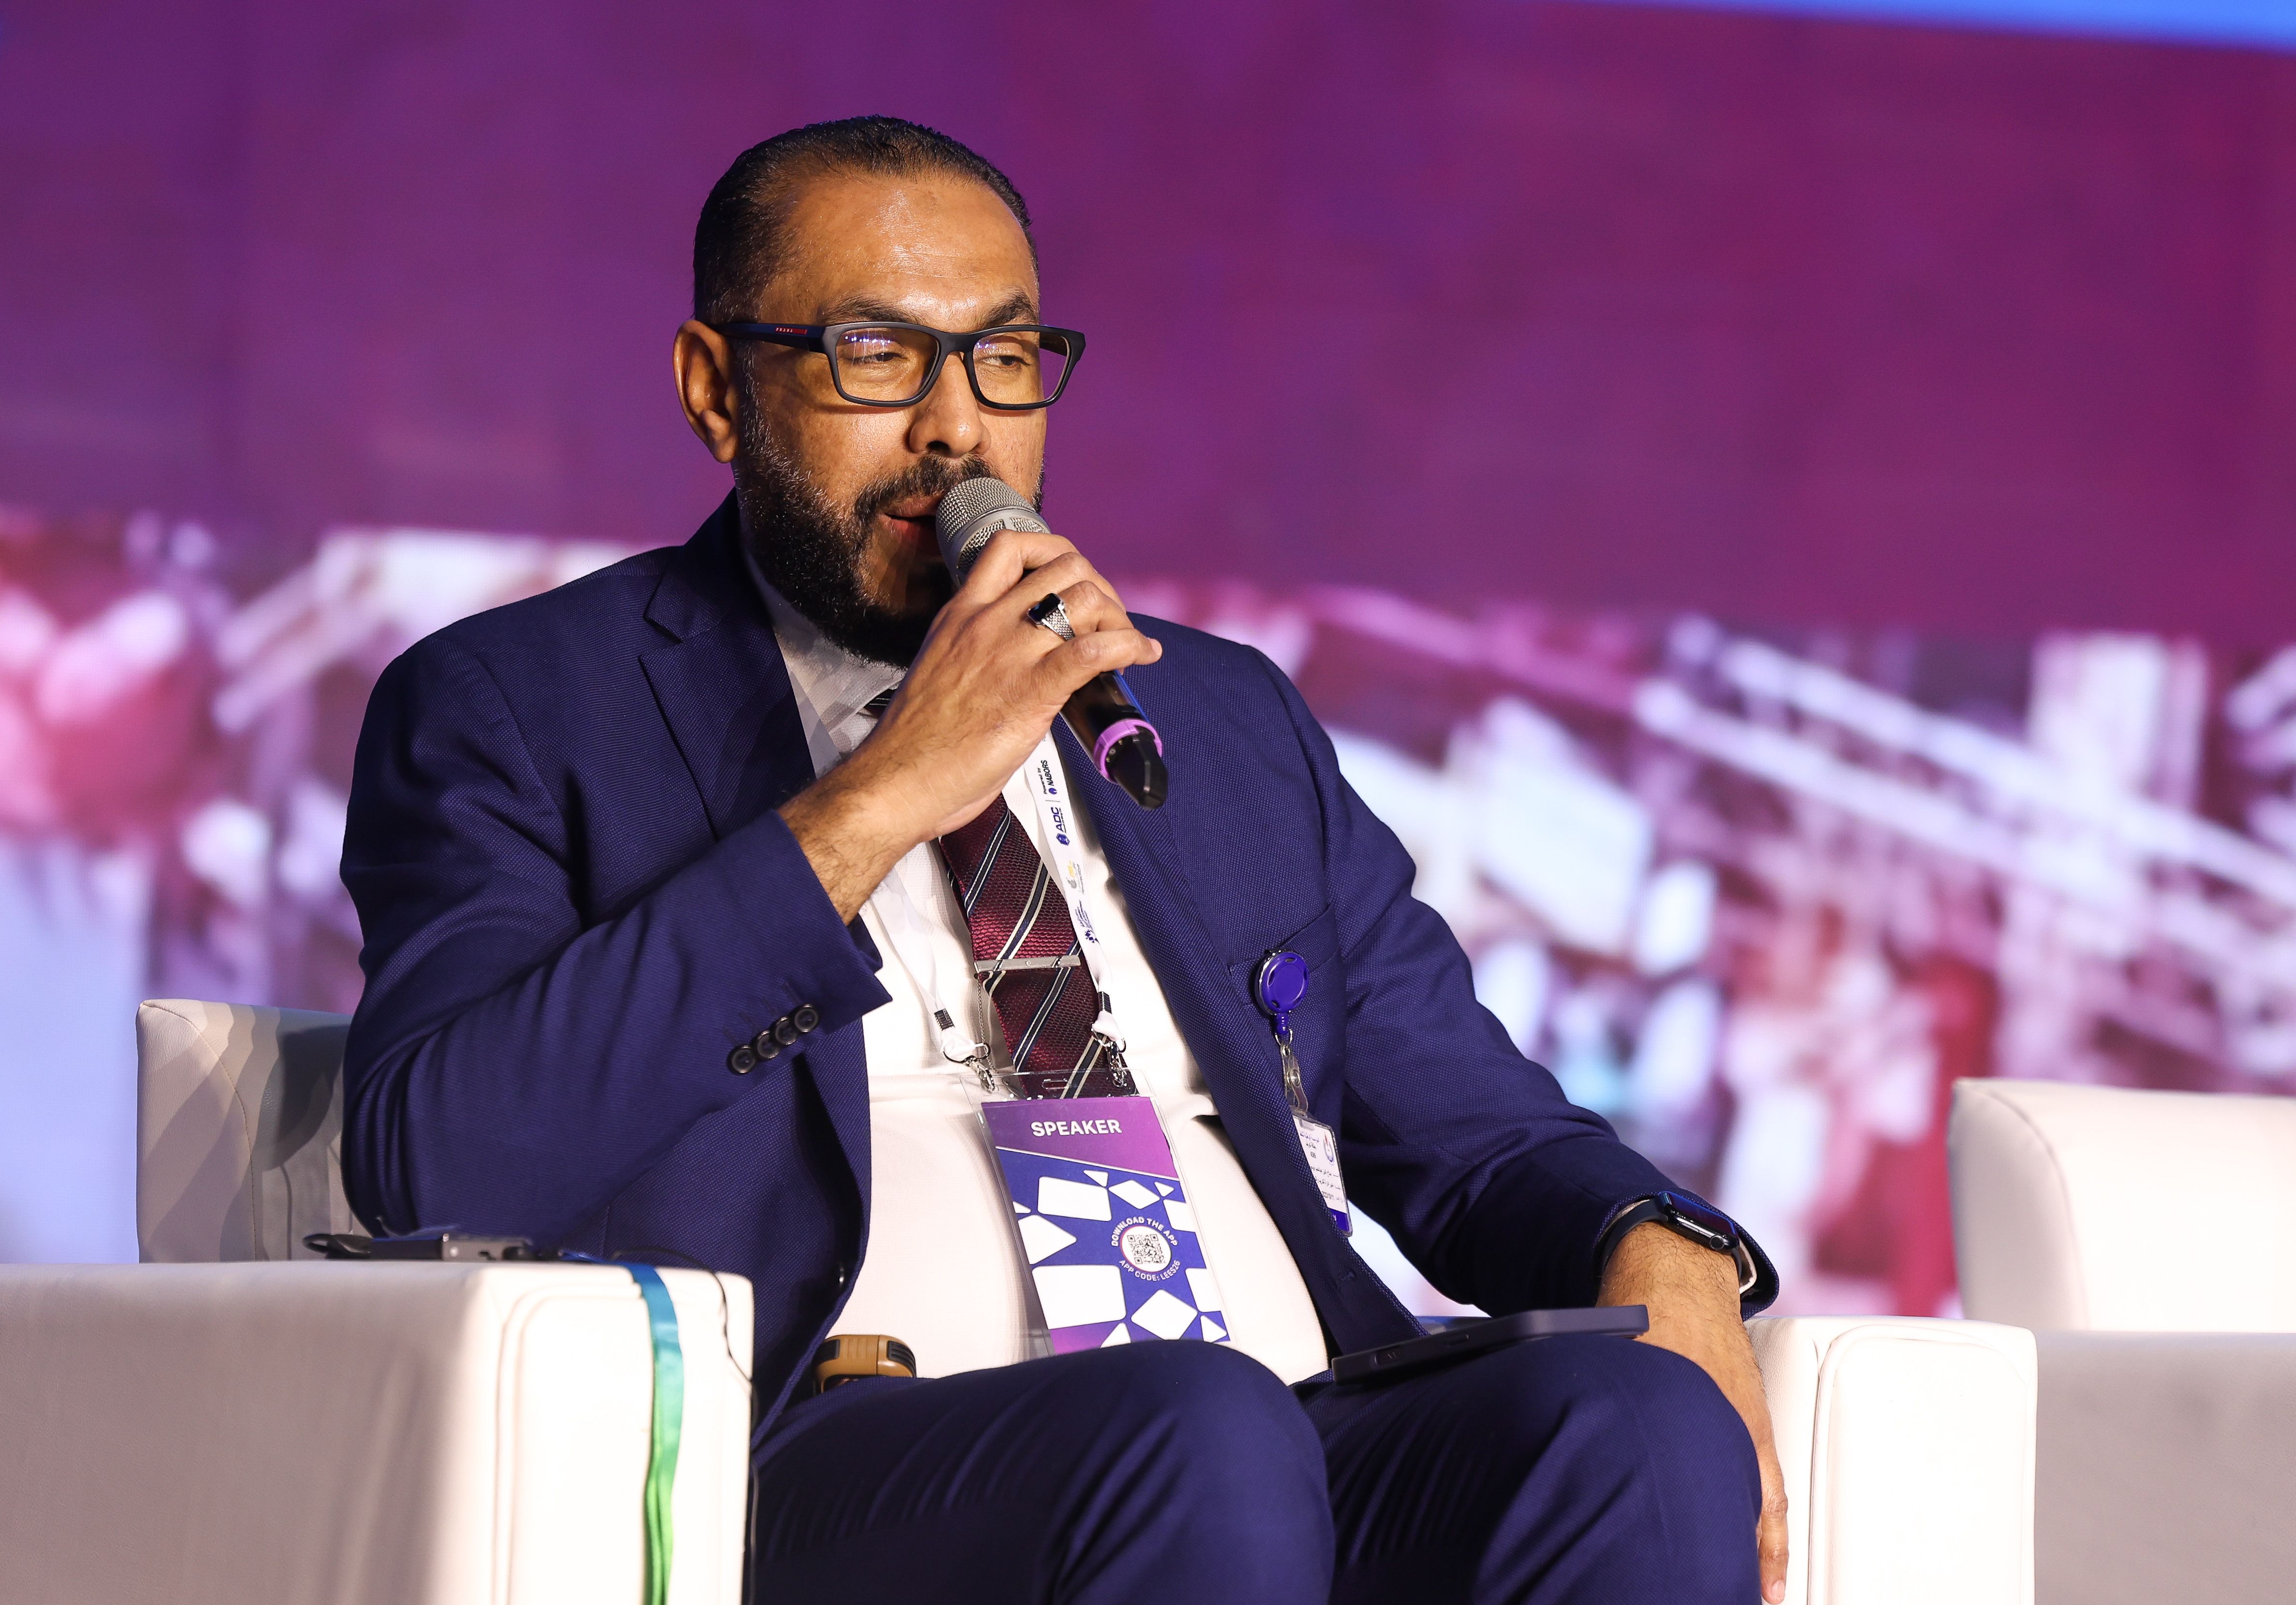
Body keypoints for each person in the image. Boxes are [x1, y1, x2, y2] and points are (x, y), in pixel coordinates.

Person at [339, 115, 1788, 1605]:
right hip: (827, 1465)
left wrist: (1655, 1240)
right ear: (720, 391)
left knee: (1637, 1424)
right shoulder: (520, 706)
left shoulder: (1215, 719)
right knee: (1200, 1427)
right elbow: (433, 1159)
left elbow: (1481, 1135)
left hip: (1281, 1431)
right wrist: (884, 793)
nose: (956, 428)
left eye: (1004, 358)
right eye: (875, 356)